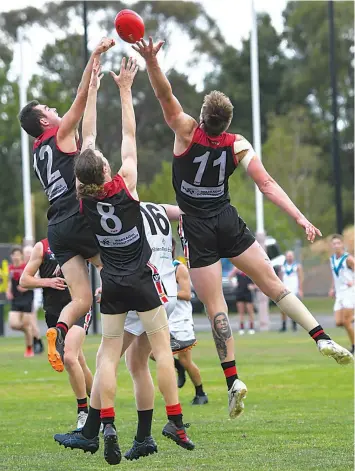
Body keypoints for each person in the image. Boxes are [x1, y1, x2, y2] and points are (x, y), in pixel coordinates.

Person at [133, 37, 353, 417]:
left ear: (202, 116)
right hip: (226, 219)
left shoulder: (185, 130)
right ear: (227, 122)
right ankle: (319, 336)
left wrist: (152, 59)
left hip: (197, 225)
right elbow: (266, 184)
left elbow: (164, 94)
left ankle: (233, 378)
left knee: (217, 305)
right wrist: (300, 216)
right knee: (274, 284)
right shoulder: (237, 144)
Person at [54, 58, 194, 466]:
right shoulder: (127, 184)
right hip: (143, 279)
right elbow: (128, 134)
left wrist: (92, 90)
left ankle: (109, 424)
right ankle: (175, 421)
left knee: (107, 354)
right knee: (162, 351)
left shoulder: (83, 199)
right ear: (106, 170)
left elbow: (90, 136)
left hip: (111, 282)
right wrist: (125, 89)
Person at [18, 37, 115, 373]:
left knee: (81, 300)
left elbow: (84, 122)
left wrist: (93, 81)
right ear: (43, 123)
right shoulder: (58, 136)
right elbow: (80, 98)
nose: (54, 110)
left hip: (56, 228)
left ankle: (58, 331)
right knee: (116, 268)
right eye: (48, 109)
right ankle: (146, 331)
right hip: (77, 216)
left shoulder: (36, 152)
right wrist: (94, 58)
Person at [20, 239, 93, 429]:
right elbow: (24, 279)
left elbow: (103, 263)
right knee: (78, 361)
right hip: (54, 313)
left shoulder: (80, 242)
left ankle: (84, 413)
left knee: (69, 358)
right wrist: (47, 281)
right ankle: (100, 410)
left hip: (78, 308)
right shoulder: (42, 247)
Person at [169, 238, 208, 405]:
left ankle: (201, 393)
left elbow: (186, 294)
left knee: (186, 360)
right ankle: (178, 367)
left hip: (180, 320)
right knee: (149, 353)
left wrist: (165, 293)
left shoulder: (179, 268)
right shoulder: (156, 267)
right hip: (164, 318)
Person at [328, 234, 354, 354]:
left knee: (347, 323)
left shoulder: (348, 258)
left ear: (342, 244)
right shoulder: (332, 259)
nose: (336, 245)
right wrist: (332, 288)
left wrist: (352, 281)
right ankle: (352, 317)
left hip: (349, 292)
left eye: (338, 243)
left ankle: (354, 346)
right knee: (339, 322)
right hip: (339, 294)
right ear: (331, 246)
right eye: (334, 243)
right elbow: (335, 275)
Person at [6, 247, 34, 357]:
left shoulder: (26, 267)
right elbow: (9, 281)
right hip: (16, 298)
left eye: (18, 254)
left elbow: (33, 279)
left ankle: (29, 349)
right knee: (13, 324)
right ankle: (27, 330)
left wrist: (26, 287)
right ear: (11, 256)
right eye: (14, 255)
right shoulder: (11, 268)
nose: (16, 256)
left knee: (26, 323)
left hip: (26, 297)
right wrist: (8, 291)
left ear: (21, 256)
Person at [23, 245, 44, 353]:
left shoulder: (36, 263)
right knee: (29, 321)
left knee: (31, 318)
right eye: (25, 252)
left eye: (29, 252)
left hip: (35, 294)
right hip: (25, 297)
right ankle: (36, 341)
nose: (27, 255)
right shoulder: (24, 266)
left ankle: (38, 342)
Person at [279, 251, 303, 332]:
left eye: (291, 256)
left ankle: (294, 325)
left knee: (294, 308)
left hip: (294, 289)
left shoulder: (297, 266)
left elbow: (300, 278)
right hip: (285, 289)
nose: (289, 257)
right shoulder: (282, 266)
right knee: (283, 308)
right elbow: (280, 278)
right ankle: (284, 325)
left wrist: (300, 289)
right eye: (288, 256)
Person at [228, 267, 256, 335]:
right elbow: (230, 276)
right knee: (241, 312)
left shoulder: (249, 268)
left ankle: (251, 328)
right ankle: (241, 328)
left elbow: (257, 280)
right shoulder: (237, 269)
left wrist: (253, 286)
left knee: (250, 311)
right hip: (240, 292)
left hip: (248, 292)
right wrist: (233, 283)